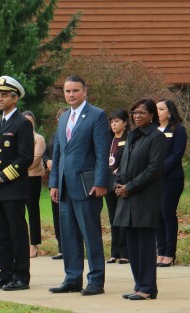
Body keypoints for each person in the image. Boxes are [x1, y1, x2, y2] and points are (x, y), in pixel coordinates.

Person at [49, 75, 112, 296]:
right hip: (65, 187)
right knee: (68, 235)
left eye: (75, 91)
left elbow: (103, 152)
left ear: (85, 91)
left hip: (87, 186)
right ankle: (72, 278)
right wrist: (54, 182)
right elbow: (58, 153)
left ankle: (95, 280)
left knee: (90, 234)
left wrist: (101, 182)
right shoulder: (64, 118)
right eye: (67, 91)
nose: (71, 95)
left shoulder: (97, 116)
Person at [0, 76, 33, 291]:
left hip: (12, 188)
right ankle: (5, 273)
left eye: (4, 95)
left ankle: (21, 276)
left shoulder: (22, 123)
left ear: (15, 98)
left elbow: (25, 158)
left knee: (16, 233)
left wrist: (1, 176)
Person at [113, 99, 166, 300]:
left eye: (142, 112)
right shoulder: (132, 136)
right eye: (134, 112)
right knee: (132, 245)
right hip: (127, 197)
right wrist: (118, 183)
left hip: (144, 198)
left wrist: (130, 187)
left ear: (152, 115)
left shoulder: (156, 137)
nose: (137, 116)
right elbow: (123, 164)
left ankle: (147, 287)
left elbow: (153, 169)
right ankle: (139, 285)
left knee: (145, 244)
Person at [155, 99, 187, 267]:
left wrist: (159, 170)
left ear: (170, 111)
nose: (158, 112)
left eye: (161, 109)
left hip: (171, 178)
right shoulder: (152, 130)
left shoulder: (178, 130)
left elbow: (176, 154)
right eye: (156, 109)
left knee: (167, 213)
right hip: (152, 180)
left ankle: (169, 253)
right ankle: (160, 252)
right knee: (157, 215)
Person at [105, 110, 130, 264]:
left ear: (125, 123)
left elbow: (129, 159)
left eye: (117, 121)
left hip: (122, 182)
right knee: (113, 217)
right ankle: (114, 252)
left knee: (123, 217)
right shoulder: (109, 139)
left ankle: (125, 252)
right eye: (112, 121)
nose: (114, 124)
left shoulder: (129, 139)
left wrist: (119, 171)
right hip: (109, 182)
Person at [44, 108, 67, 260]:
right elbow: (46, 153)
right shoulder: (53, 136)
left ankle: (71, 248)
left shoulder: (71, 134)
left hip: (68, 179)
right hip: (55, 179)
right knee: (57, 215)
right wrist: (47, 161)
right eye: (59, 117)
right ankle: (61, 248)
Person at [23, 111, 46, 259]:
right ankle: (22, 242)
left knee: (32, 211)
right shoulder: (17, 137)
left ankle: (34, 244)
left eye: (30, 122)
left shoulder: (38, 138)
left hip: (32, 178)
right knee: (18, 212)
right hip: (17, 179)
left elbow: (35, 160)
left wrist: (15, 168)